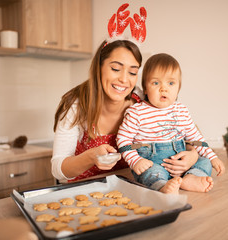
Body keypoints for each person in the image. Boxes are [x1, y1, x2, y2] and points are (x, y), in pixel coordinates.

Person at [51, 41, 201, 183]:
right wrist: (90, 157)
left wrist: (193, 154)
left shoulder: (141, 99)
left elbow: (186, 126)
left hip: (131, 184)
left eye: (132, 72)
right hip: (86, 190)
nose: (124, 79)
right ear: (99, 67)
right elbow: (58, 169)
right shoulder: (76, 106)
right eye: (115, 69)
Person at [116, 53, 225, 194]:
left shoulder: (181, 110)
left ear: (178, 87)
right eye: (156, 83)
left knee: (204, 162)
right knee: (149, 173)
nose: (163, 88)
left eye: (171, 83)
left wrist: (213, 157)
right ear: (145, 88)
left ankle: (190, 179)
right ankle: (162, 186)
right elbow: (123, 139)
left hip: (182, 165)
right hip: (154, 164)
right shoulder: (137, 112)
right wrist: (135, 160)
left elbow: (196, 138)